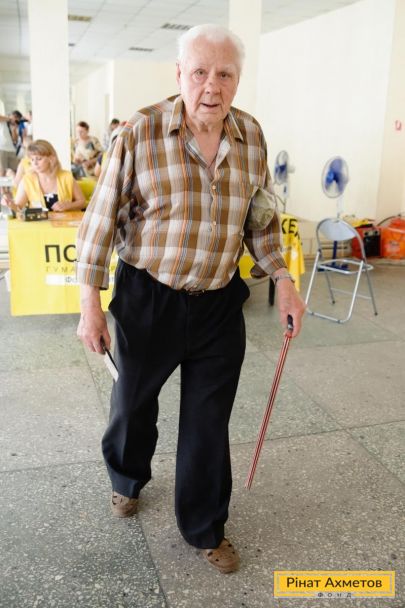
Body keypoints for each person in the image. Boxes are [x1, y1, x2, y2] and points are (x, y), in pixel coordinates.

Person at [76, 24, 306, 574]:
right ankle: (127, 476)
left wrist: (284, 279)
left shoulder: (251, 136)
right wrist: (90, 304)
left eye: (224, 74)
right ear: (179, 73)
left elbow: (261, 222)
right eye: (200, 72)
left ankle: (205, 526)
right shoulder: (140, 131)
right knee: (133, 405)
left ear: (237, 80)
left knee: (209, 421)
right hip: (148, 297)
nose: (211, 85)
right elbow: (100, 220)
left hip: (218, 302)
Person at [3, 139, 85, 212]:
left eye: (39, 159)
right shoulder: (27, 180)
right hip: (38, 224)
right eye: (32, 159)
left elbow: (82, 202)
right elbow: (19, 207)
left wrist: (68, 205)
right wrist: (10, 204)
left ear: (51, 158)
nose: (35, 163)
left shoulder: (67, 177)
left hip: (65, 223)